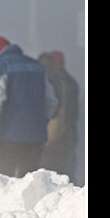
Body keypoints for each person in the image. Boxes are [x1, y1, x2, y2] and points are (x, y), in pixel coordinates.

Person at [0, 36, 58, 178]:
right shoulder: (37, 66)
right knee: (29, 181)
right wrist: (43, 121)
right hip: (37, 137)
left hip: (10, 135)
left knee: (4, 181)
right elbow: (51, 101)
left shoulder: (0, 66)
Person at [39, 50, 80, 182]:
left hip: (56, 133)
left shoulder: (55, 82)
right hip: (68, 133)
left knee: (53, 168)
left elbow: (58, 110)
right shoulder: (71, 82)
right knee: (65, 168)